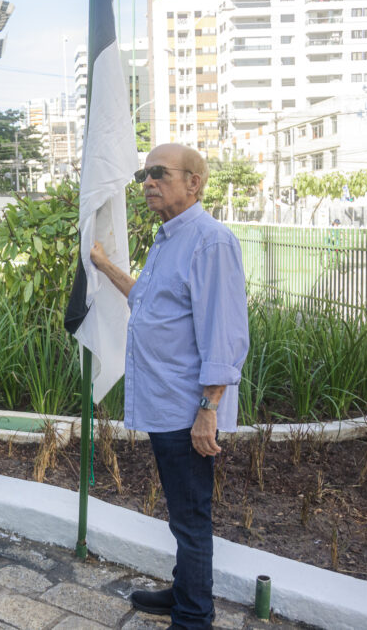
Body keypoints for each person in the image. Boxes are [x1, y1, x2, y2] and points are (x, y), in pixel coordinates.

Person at [89, 143, 249, 630]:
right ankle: (184, 592)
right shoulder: (167, 239)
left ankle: (195, 616)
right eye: (144, 174)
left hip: (188, 409)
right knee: (181, 510)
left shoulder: (210, 240)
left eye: (159, 173)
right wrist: (104, 264)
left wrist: (208, 409)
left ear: (194, 182)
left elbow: (224, 334)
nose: (148, 183)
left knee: (191, 515)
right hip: (168, 404)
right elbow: (150, 301)